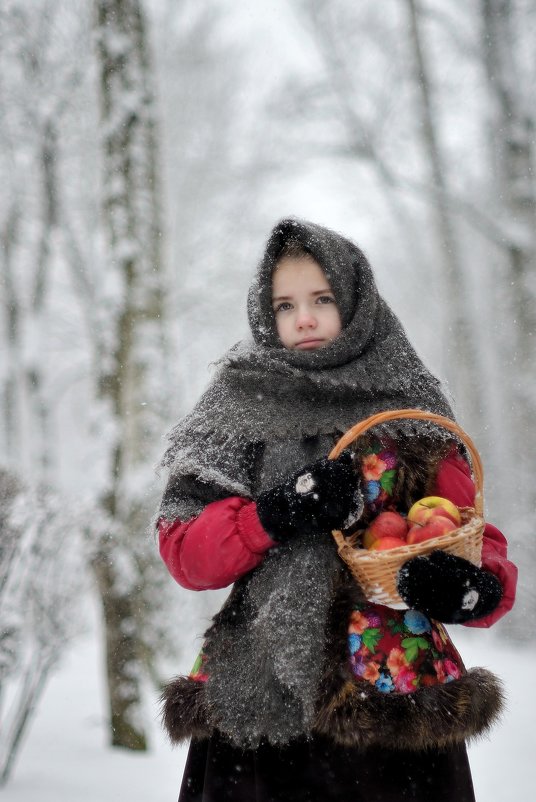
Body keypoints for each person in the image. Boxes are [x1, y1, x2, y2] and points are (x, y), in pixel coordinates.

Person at [157, 219, 517, 802]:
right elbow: (184, 551)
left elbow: (469, 528)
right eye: (284, 304)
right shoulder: (236, 403)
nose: (303, 318)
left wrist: (473, 587)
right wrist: (269, 516)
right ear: (263, 313)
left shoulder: (408, 400)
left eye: (321, 299)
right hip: (259, 684)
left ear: (355, 301)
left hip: (394, 698)